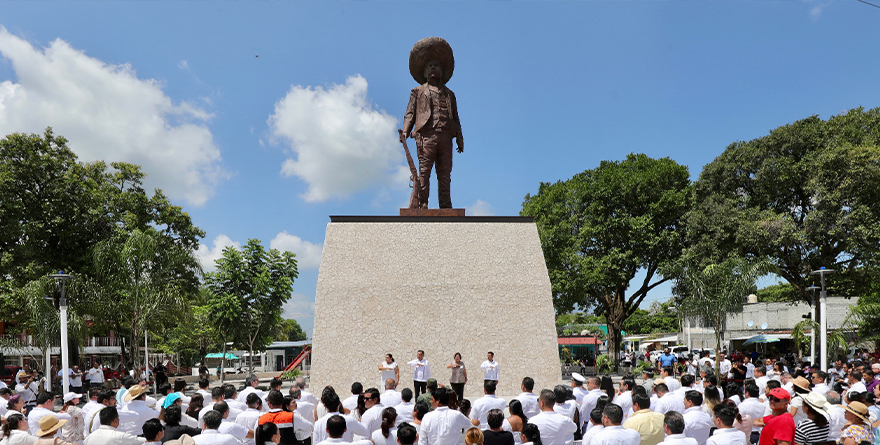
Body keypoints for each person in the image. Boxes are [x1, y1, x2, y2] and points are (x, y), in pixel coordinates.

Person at [400, 37, 464, 209]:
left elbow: (456, 118)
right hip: (425, 136)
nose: (434, 68)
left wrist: (459, 138)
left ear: (442, 71)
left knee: (444, 174)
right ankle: (422, 204)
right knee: (424, 172)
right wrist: (406, 131)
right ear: (425, 71)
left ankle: (445, 205)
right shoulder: (417, 91)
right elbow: (410, 113)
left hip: (445, 138)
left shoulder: (450, 94)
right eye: (430, 66)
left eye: (437, 66)